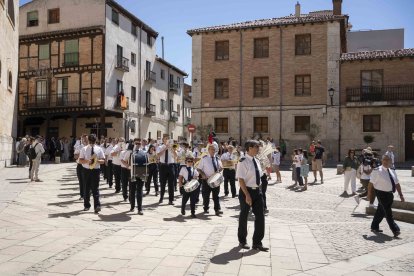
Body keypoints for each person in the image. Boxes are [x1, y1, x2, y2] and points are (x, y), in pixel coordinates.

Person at [236, 140, 268, 251]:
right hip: (246, 191)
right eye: (256, 147)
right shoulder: (243, 161)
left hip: (257, 192)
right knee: (244, 215)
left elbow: (260, 174)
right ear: (249, 148)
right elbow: (240, 180)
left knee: (260, 216)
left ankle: (257, 242)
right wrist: (247, 195)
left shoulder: (257, 160)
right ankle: (242, 241)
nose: (258, 149)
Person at [370, 155, 404, 237]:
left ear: (390, 162)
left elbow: (397, 184)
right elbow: (370, 184)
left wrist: (401, 195)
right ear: (382, 160)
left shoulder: (392, 171)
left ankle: (374, 226)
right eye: (384, 159)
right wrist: (369, 195)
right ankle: (395, 229)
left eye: (387, 160)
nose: (385, 161)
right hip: (380, 193)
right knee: (388, 212)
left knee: (381, 210)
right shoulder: (377, 170)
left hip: (389, 194)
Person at [79, 134, 105, 213]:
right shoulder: (84, 149)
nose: (92, 143)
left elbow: (103, 160)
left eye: (93, 142)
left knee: (95, 188)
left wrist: (97, 161)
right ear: (89, 141)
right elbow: (80, 160)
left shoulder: (99, 149)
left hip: (95, 170)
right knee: (86, 188)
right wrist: (87, 161)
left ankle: (97, 206)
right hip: (86, 170)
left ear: (95, 141)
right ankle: (87, 205)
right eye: (91, 141)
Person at [197, 143, 223, 216]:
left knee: (216, 196)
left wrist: (220, 169)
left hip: (215, 180)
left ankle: (217, 210)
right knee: (206, 195)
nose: (213, 151)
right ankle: (206, 208)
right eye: (211, 149)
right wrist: (203, 174)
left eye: (214, 149)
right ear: (208, 150)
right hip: (206, 180)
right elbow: (199, 168)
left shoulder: (217, 158)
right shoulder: (204, 158)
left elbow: (221, 167)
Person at [157, 136, 177, 205]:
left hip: (171, 166)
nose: (167, 140)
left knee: (171, 184)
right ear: (163, 140)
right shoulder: (160, 147)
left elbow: (176, 156)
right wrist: (165, 148)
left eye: (168, 139)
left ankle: (171, 200)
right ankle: (161, 197)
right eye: (165, 139)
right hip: (163, 166)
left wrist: (172, 149)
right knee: (163, 183)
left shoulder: (173, 147)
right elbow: (158, 156)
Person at [178, 153, 199, 218]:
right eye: (188, 161)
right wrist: (180, 185)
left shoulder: (194, 169)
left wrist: (196, 178)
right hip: (186, 185)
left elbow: (197, 177)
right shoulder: (183, 168)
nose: (190, 163)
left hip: (193, 186)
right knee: (185, 199)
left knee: (193, 200)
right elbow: (180, 177)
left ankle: (193, 212)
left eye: (191, 161)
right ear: (186, 162)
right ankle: (183, 208)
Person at [129, 140, 145, 215]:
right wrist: (128, 166)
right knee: (132, 191)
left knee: (139, 191)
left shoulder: (144, 152)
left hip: (141, 173)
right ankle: (132, 206)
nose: (138, 145)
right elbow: (123, 160)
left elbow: (148, 161)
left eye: (139, 143)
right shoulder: (130, 152)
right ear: (133, 144)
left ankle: (140, 209)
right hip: (132, 173)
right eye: (136, 143)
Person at [74, 135, 88, 200]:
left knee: (88, 181)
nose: (84, 140)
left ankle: (88, 192)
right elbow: (75, 157)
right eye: (83, 139)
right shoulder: (79, 147)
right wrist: (81, 154)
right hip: (80, 165)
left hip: (88, 165)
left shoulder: (91, 147)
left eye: (86, 139)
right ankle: (82, 195)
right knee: (81, 181)